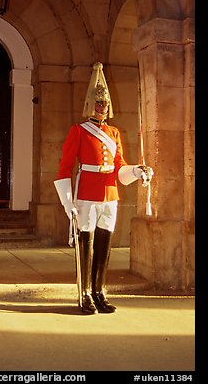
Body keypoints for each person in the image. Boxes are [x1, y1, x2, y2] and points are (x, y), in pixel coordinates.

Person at [54, 62, 153, 314]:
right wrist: (68, 203)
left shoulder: (114, 132)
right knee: (86, 244)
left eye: (105, 104)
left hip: (110, 194)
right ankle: (85, 293)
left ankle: (99, 292)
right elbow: (65, 168)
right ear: (90, 105)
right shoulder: (78, 131)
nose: (103, 107)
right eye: (99, 103)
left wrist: (138, 171)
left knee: (104, 244)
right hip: (86, 194)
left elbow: (119, 168)